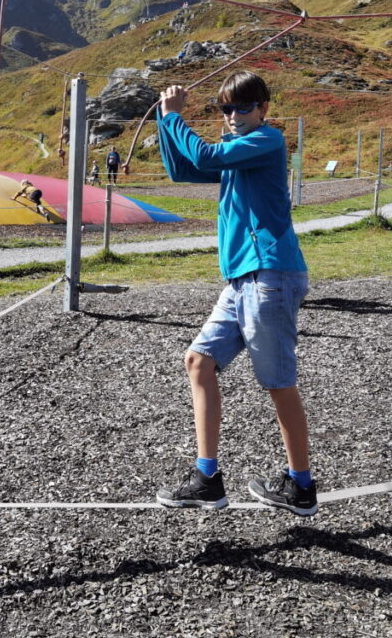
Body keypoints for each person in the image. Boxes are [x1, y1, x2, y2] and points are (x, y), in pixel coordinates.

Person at [153, 71, 315, 516]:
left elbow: (203, 156)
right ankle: (207, 479)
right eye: (226, 109)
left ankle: (301, 486)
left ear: (264, 108)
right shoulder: (238, 152)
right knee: (199, 361)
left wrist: (173, 116)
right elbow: (183, 169)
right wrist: (164, 122)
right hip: (244, 279)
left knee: (278, 384)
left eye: (243, 107)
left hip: (270, 276)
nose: (233, 116)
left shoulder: (268, 140)